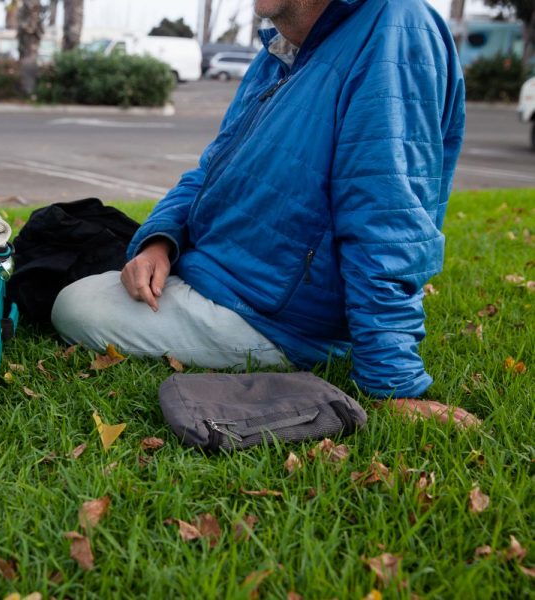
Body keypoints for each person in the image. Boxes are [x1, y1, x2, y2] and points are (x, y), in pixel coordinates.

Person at [51, 0, 466, 402]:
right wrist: (158, 242)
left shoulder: (393, 25)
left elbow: (387, 220)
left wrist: (391, 381)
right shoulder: (280, 49)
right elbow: (209, 170)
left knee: (74, 304)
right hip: (221, 271)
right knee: (69, 268)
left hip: (280, 319)